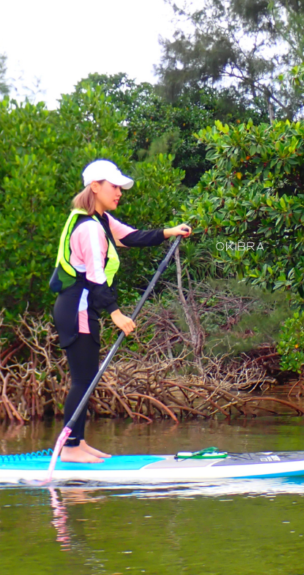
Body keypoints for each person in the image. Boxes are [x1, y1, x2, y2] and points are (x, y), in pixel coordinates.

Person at [50, 159, 192, 463]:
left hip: (83, 307)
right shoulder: (89, 228)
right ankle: (70, 448)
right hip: (78, 309)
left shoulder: (100, 220)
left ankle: (78, 442)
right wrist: (116, 313)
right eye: (114, 187)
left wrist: (170, 232)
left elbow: (131, 236)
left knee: (86, 377)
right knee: (82, 380)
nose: (119, 193)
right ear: (95, 187)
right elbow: (95, 277)